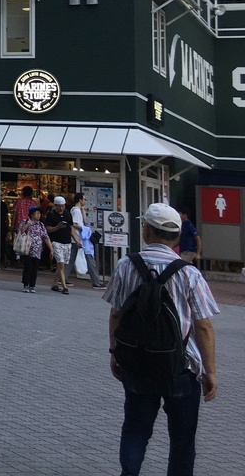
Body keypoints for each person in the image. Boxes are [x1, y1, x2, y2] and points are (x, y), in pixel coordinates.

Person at [104, 203, 219, 476]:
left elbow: (116, 314)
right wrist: (210, 372)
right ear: (177, 236)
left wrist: (115, 352)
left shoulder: (125, 265)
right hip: (180, 368)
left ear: (146, 230)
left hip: (137, 363)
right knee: (182, 440)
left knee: (135, 430)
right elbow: (203, 326)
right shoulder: (189, 273)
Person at [17, 205, 52, 293]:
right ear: (31, 214)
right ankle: (26, 284)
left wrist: (51, 249)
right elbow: (20, 232)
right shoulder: (25, 222)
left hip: (37, 250)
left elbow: (46, 237)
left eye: (39, 213)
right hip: (27, 249)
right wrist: (28, 224)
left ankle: (32, 285)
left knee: (35, 268)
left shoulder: (41, 225)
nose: (38, 215)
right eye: (36, 213)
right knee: (28, 266)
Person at [45, 195, 74, 294]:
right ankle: (64, 286)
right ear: (55, 205)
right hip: (56, 241)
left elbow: (71, 228)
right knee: (60, 263)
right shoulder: (51, 214)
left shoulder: (67, 214)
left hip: (67, 241)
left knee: (63, 264)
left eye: (63, 206)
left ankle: (54, 284)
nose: (61, 208)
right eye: (59, 206)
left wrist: (76, 240)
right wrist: (58, 227)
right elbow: (48, 229)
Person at [79, 220, 105, 289]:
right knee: (91, 263)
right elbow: (74, 224)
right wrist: (86, 229)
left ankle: (62, 277)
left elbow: (84, 221)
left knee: (71, 260)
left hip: (83, 244)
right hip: (83, 245)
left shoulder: (84, 223)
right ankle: (96, 282)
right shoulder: (76, 213)